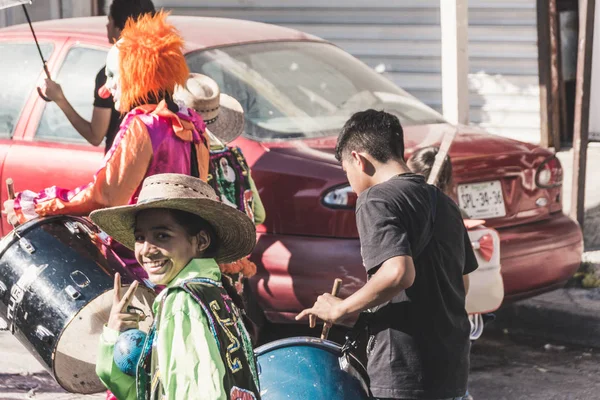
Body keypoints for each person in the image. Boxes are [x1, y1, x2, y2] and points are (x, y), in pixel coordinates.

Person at [4, 11, 210, 283]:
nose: (106, 88)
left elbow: (105, 197)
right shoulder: (192, 123)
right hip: (182, 260)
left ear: (138, 75)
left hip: (140, 266)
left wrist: (34, 205)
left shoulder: (142, 124)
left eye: (113, 75)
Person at [296, 110, 478, 400]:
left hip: (404, 368)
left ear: (358, 159)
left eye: (346, 171)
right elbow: (463, 284)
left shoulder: (376, 199)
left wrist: (339, 309)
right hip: (451, 369)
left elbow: (398, 273)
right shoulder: (443, 202)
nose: (351, 181)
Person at [91, 173, 261, 399]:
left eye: (162, 236)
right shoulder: (217, 291)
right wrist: (114, 334)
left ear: (201, 241)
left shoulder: (182, 301)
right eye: (140, 238)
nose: (146, 250)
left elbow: (195, 390)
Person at [174, 73, 266, 290]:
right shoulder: (236, 157)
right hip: (235, 266)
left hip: (197, 267)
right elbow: (259, 215)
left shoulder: (186, 157)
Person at [43, 0, 156, 153]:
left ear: (120, 27)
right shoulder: (164, 66)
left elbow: (95, 135)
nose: (107, 88)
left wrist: (60, 99)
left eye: (109, 20)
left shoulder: (111, 75)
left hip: (122, 161)